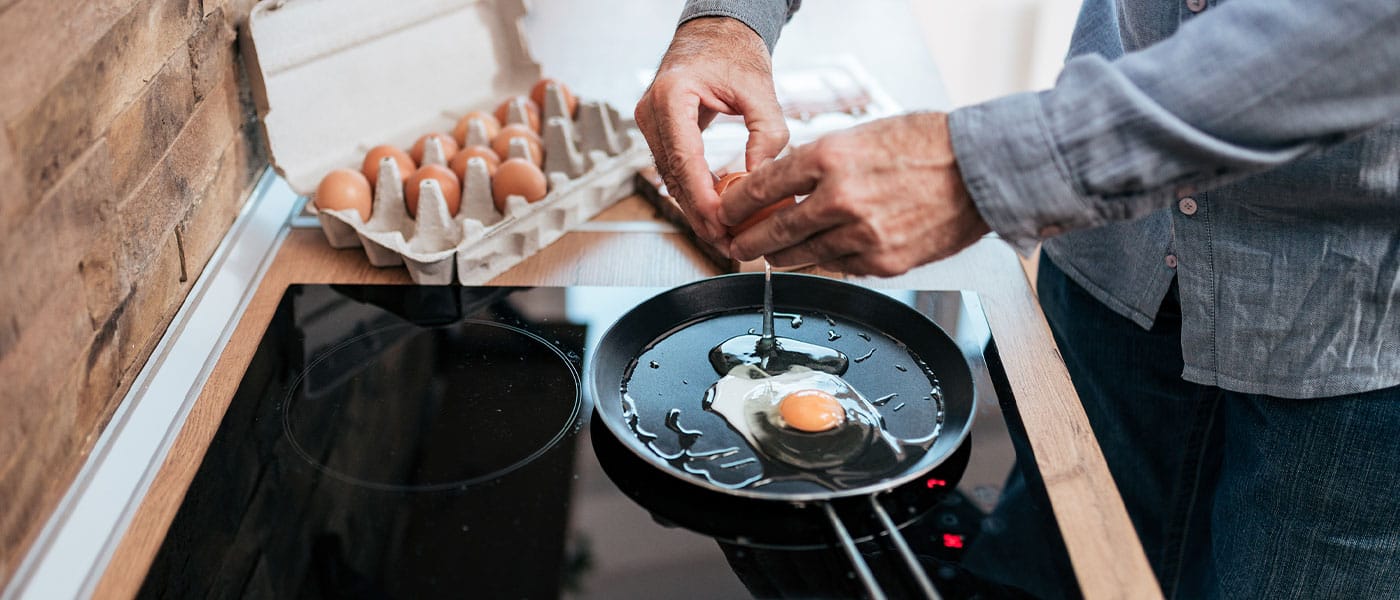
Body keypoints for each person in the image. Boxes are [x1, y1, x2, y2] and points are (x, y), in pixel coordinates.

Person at [635, 0, 1400, 597]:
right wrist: (729, 19)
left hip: (1356, 329)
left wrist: (999, 164)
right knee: (1044, 577)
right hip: (1117, 253)